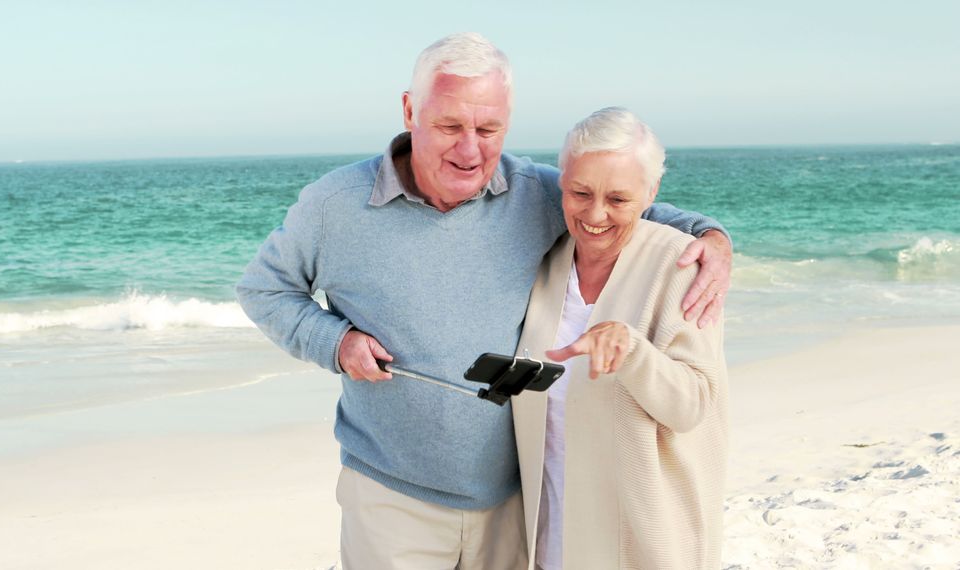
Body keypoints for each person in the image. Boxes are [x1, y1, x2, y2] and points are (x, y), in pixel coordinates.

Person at [236, 33, 731, 569]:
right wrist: (336, 341)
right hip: (391, 492)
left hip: (513, 497)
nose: (470, 150)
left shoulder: (537, 191)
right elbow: (264, 289)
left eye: (488, 128)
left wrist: (712, 237)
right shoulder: (334, 205)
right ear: (409, 110)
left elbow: (619, 200)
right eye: (450, 125)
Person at [512, 107, 728, 570]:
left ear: (650, 194)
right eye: (580, 192)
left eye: (619, 199)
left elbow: (692, 405)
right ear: (561, 182)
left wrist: (631, 351)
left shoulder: (681, 263)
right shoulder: (548, 261)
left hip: (642, 540)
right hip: (553, 535)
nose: (595, 215)